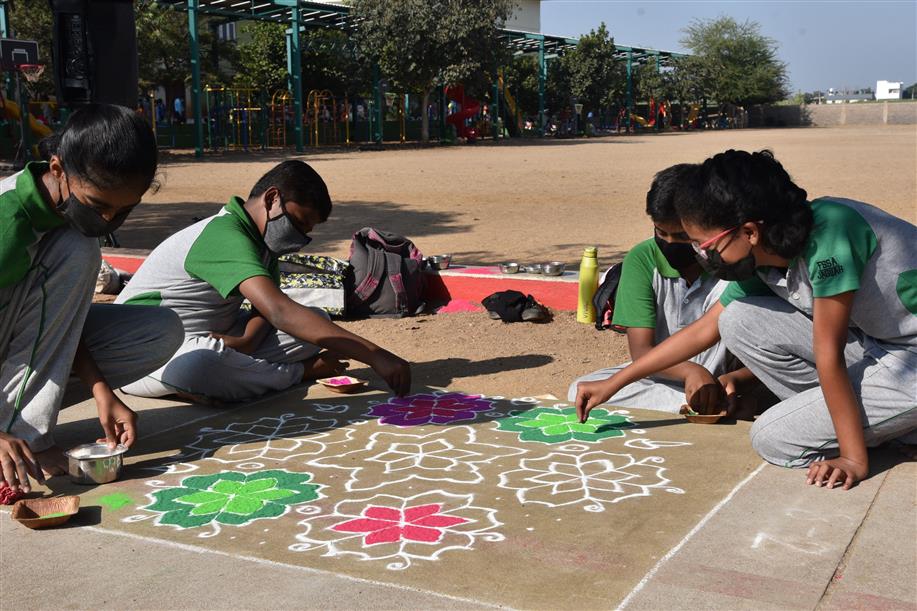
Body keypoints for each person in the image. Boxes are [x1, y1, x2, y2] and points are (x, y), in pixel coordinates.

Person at [576, 150, 917, 490]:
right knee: (739, 318)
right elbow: (703, 330)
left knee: (773, 438)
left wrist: (852, 458)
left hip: (908, 363)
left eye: (704, 244)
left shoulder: (832, 235)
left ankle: (888, 431)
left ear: (750, 232)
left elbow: (828, 353)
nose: (702, 255)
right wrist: (615, 383)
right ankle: (886, 424)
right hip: (880, 348)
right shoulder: (766, 256)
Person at [116, 160, 412, 403]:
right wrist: (376, 355)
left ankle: (235, 379)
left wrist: (247, 342)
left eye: (306, 231)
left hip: (220, 337)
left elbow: (265, 311)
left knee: (315, 323)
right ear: (272, 199)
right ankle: (298, 372)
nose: (299, 238)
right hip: (144, 352)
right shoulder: (223, 235)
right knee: (202, 365)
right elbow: (278, 311)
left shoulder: (260, 241)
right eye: (297, 223)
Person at [0, 104, 184, 493]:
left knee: (160, 331)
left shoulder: (67, 220)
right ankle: (21, 436)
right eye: (99, 206)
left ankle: (23, 427)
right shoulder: (6, 225)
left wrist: (102, 389)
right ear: (56, 170)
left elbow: (54, 319)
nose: (107, 221)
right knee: (79, 249)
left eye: (124, 211)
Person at [569, 164, 765, 415]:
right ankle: (707, 405)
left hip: (725, 377)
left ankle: (713, 401)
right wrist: (690, 371)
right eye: (661, 233)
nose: (670, 243)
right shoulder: (641, 259)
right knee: (578, 389)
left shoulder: (731, 264)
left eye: (682, 236)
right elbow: (641, 352)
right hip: (661, 373)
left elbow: (711, 333)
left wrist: (735, 378)